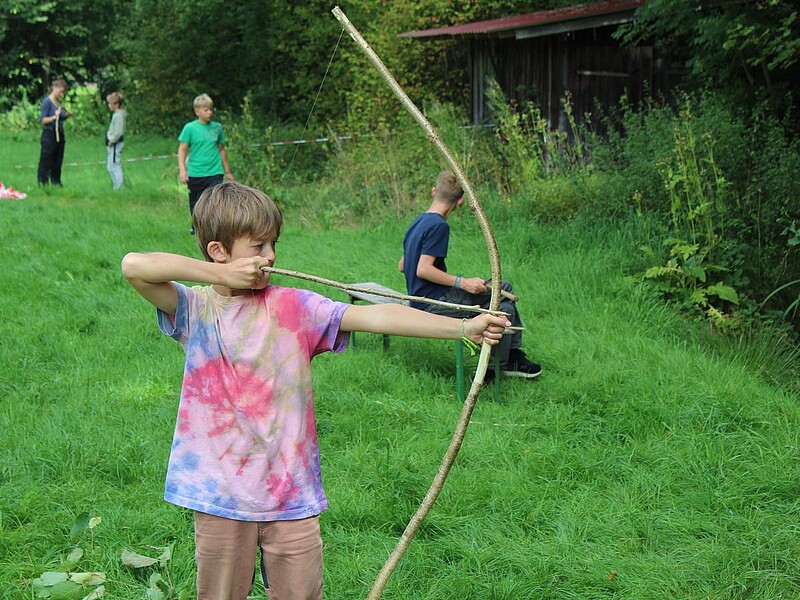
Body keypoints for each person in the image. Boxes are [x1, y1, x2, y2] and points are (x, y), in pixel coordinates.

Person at [120, 181, 508, 599]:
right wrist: (219, 276)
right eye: (258, 246)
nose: (270, 256)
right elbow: (134, 265)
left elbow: (378, 318)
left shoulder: (295, 307)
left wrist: (464, 327)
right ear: (219, 251)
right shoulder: (195, 310)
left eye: (274, 243)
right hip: (221, 497)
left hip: (290, 495)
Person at [399, 170, 542, 382]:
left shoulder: (418, 222)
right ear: (460, 201)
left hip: (420, 298)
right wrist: (463, 283)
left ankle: (508, 358)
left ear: (433, 192)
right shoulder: (439, 226)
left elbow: (403, 265)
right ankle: (496, 367)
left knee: (504, 289)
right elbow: (423, 269)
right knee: (504, 307)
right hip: (433, 302)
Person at [178, 93, 234, 232]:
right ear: (197, 111)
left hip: (215, 171)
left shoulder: (217, 127)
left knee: (215, 200)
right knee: (196, 202)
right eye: (206, 110)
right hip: (196, 172)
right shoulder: (189, 128)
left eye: (210, 109)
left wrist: (227, 171)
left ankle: (214, 228)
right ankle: (197, 228)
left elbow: (221, 149)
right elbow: (182, 150)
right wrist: (183, 170)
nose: (209, 112)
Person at [37, 78, 73, 186]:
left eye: (63, 92)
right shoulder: (47, 102)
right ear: (54, 88)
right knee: (46, 159)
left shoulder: (59, 103)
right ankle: (43, 182)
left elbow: (60, 117)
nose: (61, 94)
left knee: (58, 159)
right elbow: (43, 120)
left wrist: (66, 115)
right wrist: (54, 117)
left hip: (59, 134)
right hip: (49, 134)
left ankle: (56, 181)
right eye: (60, 91)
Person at [105, 92, 128, 190]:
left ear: (117, 104)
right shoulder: (116, 115)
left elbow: (118, 132)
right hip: (113, 144)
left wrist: (112, 141)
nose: (109, 105)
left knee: (115, 166)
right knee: (110, 167)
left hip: (115, 144)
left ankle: (119, 188)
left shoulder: (118, 116)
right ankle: (116, 187)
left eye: (111, 103)